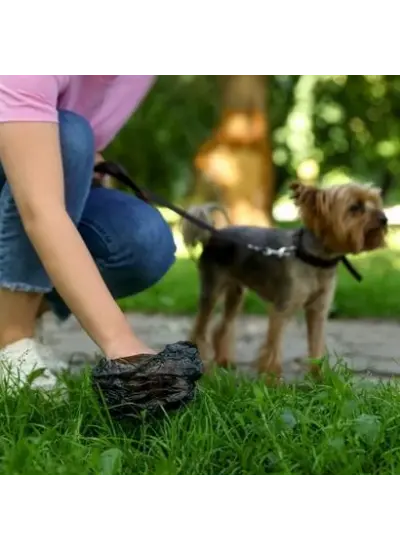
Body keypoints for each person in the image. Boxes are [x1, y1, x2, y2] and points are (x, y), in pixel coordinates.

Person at [0, 73, 176, 389]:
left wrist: (82, 164)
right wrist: (121, 344)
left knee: (140, 241)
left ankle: (21, 319)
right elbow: (41, 210)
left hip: (34, 178)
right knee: (70, 136)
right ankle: (10, 342)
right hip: (31, 196)